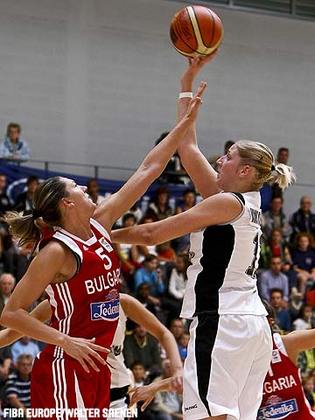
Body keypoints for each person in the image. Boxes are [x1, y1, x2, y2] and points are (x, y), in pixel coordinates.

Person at [0, 84, 205, 414]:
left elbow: (149, 169)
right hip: (64, 367)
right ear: (68, 204)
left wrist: (184, 123)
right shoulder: (56, 252)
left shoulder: (101, 222)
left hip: (98, 370)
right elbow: (11, 314)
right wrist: (64, 341)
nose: (84, 187)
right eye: (77, 187)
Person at [111, 55, 296, 420]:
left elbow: (152, 232)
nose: (218, 160)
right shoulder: (245, 199)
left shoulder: (226, 203)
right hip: (250, 324)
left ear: (243, 170)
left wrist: (99, 234)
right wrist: (186, 82)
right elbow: (187, 147)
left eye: (227, 157)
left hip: (223, 320)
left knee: (209, 417)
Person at [0, 293, 182, 420]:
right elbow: (10, 335)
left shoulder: (122, 302)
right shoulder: (56, 303)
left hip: (115, 395)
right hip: (71, 390)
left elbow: (163, 333)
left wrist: (178, 370)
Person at [130, 302, 315, 420]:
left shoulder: (285, 344)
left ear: (269, 322)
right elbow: (197, 382)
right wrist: (155, 387)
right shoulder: (232, 355)